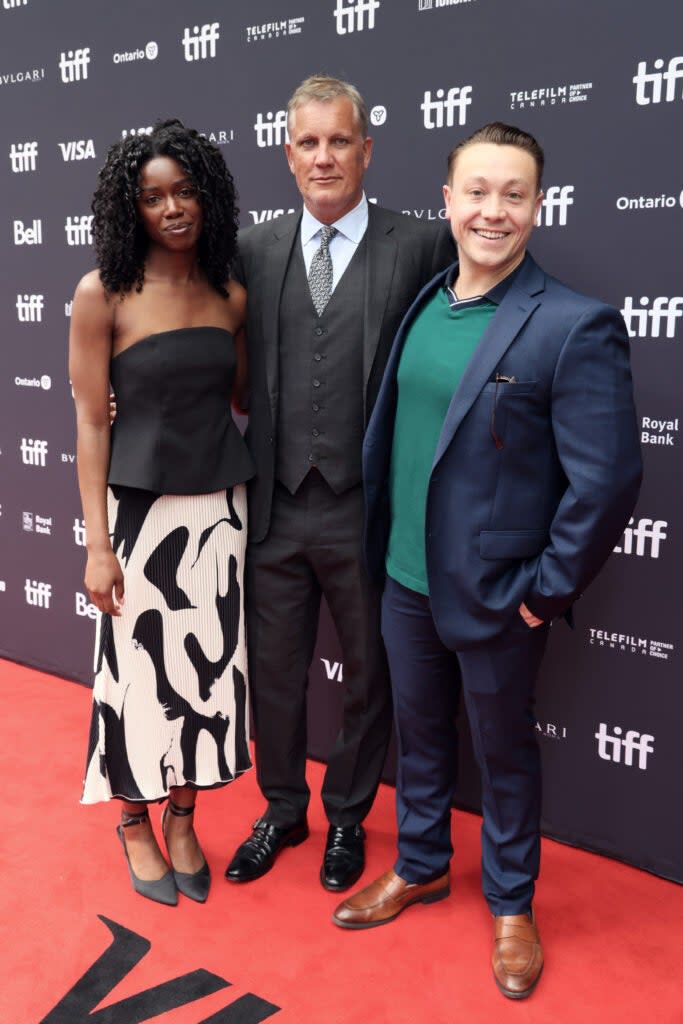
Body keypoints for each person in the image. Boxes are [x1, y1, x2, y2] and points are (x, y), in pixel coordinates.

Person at [331, 123, 642, 999]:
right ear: (447, 201)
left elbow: (608, 481)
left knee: (503, 754)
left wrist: (544, 593)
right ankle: (423, 861)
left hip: (502, 595)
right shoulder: (427, 300)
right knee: (421, 736)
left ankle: (510, 904)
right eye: (476, 192)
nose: (491, 211)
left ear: (537, 206)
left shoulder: (573, 324)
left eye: (512, 194)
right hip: (403, 578)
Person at [225, 75, 455, 892]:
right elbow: (203, 345)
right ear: (287, 156)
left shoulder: (422, 244)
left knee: (369, 676)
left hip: (369, 510)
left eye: (338, 140)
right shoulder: (250, 250)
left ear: (366, 148)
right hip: (275, 507)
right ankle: (283, 809)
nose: (323, 157)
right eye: (307, 143)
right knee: (276, 672)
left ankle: (348, 819)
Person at [70, 119, 254, 906]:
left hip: (220, 511)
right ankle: (136, 821)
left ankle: (185, 817)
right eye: (152, 198)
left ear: (207, 196)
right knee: (136, 678)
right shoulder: (101, 293)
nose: (172, 209)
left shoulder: (231, 293)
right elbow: (88, 420)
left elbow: (242, 397)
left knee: (209, 678)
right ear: (129, 209)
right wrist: (97, 544)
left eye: (184, 192)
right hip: (137, 522)